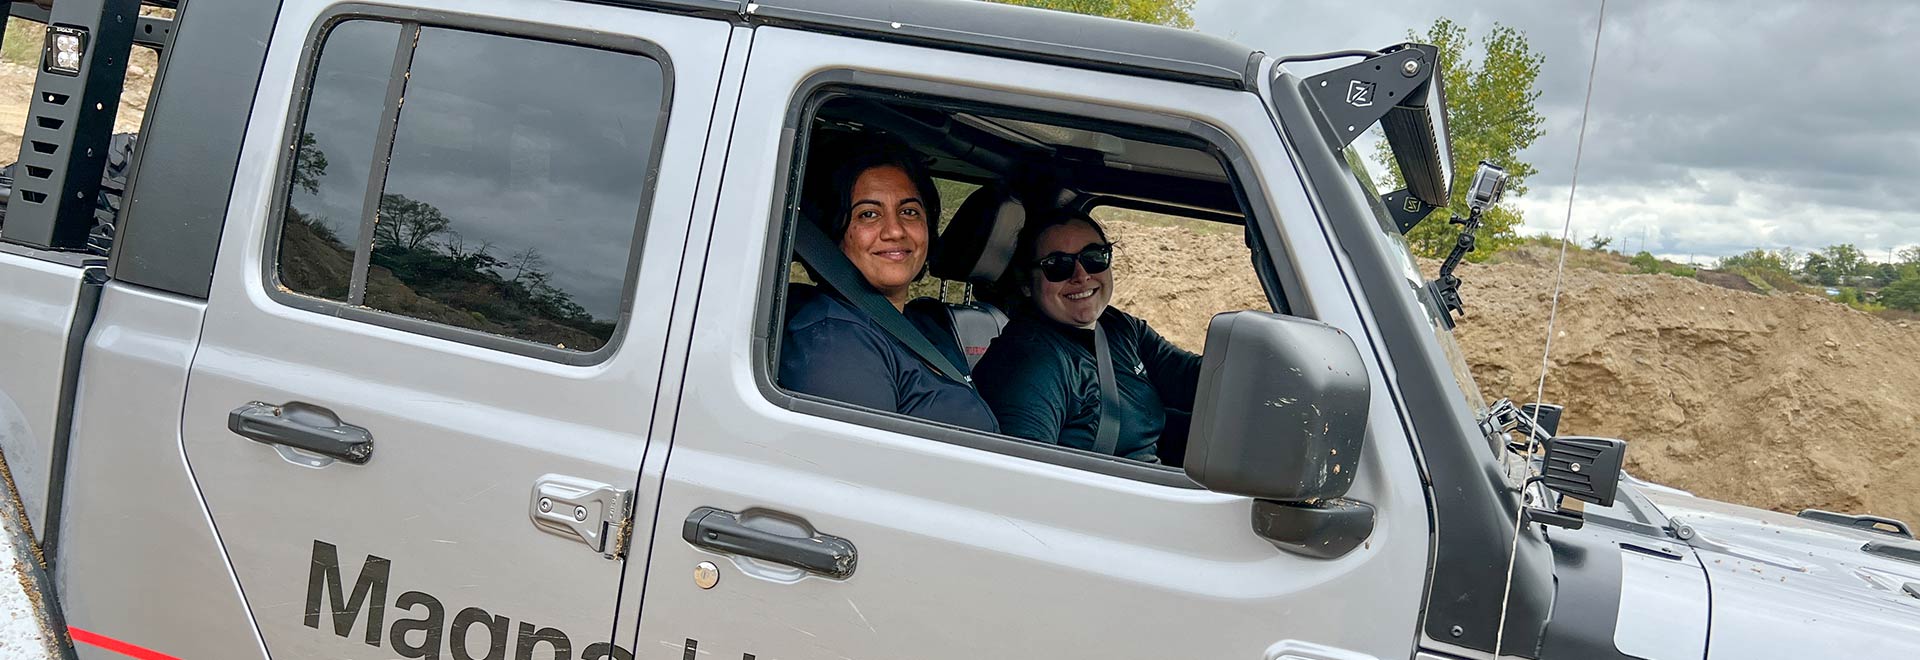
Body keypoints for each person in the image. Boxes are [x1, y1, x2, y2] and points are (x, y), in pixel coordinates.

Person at [779, 140, 999, 433]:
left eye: (909, 212)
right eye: (868, 214)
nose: (895, 230)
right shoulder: (834, 339)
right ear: (835, 231)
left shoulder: (925, 323)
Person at [971, 210, 1200, 463]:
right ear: (1026, 283)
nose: (1081, 276)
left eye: (1094, 258)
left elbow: (1196, 381)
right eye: (1058, 265)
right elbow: (1025, 477)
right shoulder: (1029, 363)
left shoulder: (1118, 328)